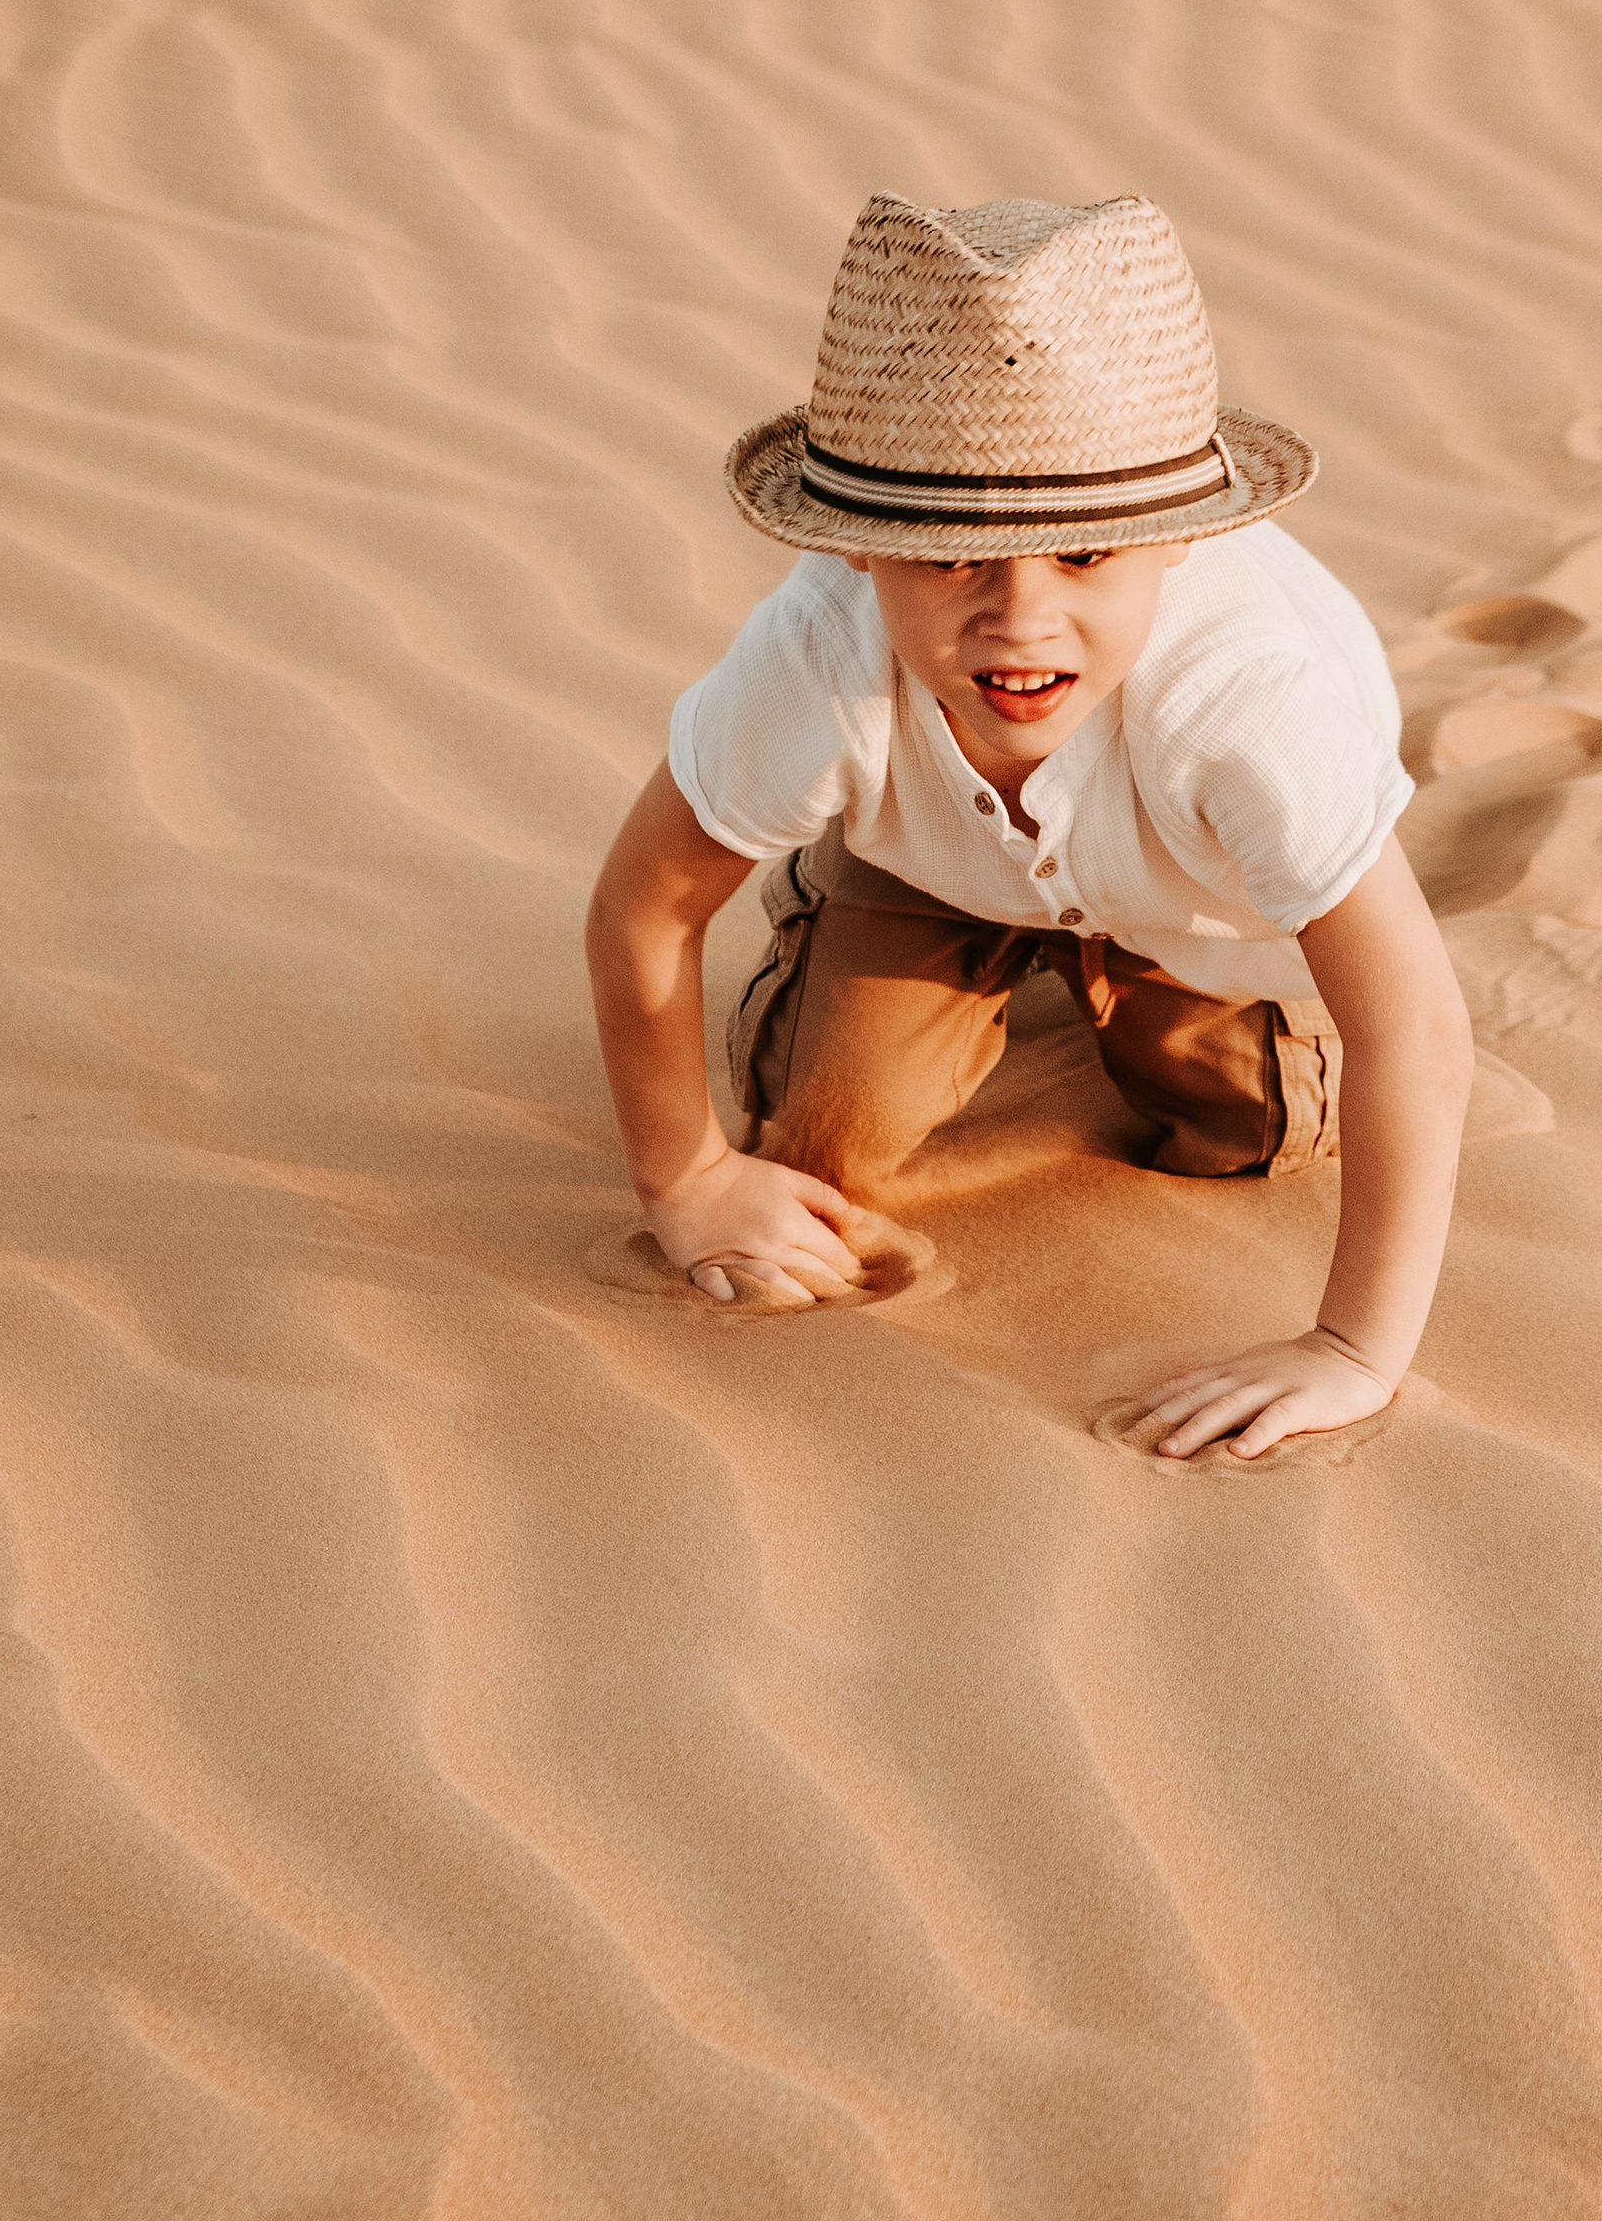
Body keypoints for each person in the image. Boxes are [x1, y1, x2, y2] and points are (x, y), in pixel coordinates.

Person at [585, 189, 1473, 1460]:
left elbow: (1419, 1027)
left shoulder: (1246, 701)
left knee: (1248, 1127)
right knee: (822, 1140)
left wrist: (1353, 1351)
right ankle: (883, 925)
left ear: (1178, 544)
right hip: (929, 868)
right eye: (950, 558)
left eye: (1087, 558)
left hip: (1188, 896)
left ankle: (1121, 980)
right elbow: (644, 904)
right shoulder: (817, 661)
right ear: (854, 553)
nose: (1020, 620)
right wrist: (680, 1178)